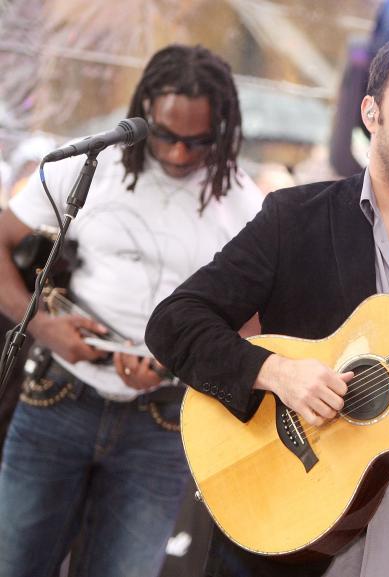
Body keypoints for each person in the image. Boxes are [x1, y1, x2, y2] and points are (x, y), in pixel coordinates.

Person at [146, 35, 389, 577]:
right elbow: (174, 323)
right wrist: (277, 373)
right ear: (370, 112)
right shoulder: (293, 219)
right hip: (285, 528)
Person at [0, 44, 264, 577]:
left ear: (224, 127)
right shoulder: (91, 161)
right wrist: (45, 327)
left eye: (199, 141)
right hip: (59, 395)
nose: (180, 154)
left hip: (162, 423)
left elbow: (253, 327)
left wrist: (185, 367)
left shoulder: (243, 202)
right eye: (166, 135)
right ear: (144, 108)